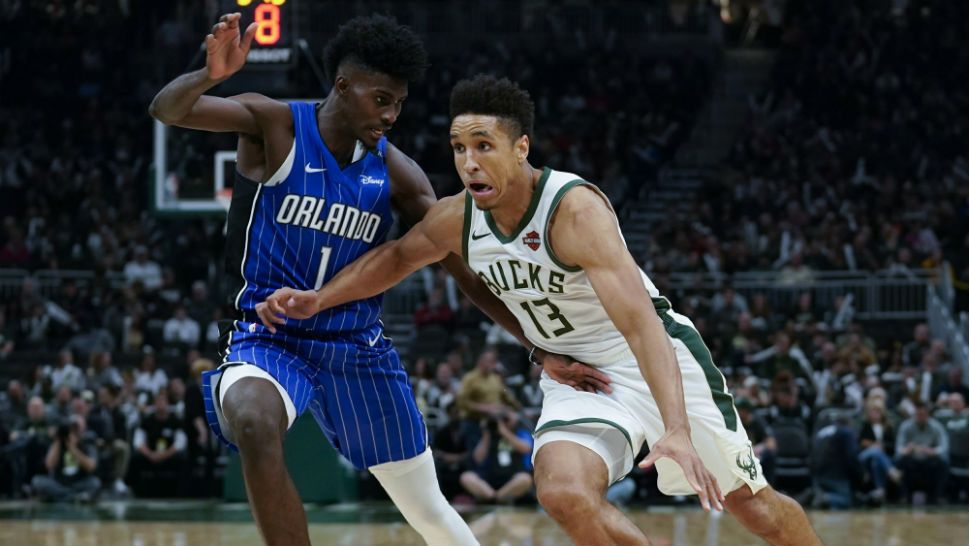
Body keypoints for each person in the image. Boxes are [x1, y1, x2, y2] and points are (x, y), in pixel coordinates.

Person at [259, 75, 825, 546]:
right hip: (578, 374)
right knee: (562, 493)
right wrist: (320, 298)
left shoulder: (574, 211)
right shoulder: (457, 217)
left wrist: (674, 427)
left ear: (521, 148)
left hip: (654, 360)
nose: (469, 162)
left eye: (484, 145)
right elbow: (397, 258)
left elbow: (642, 325)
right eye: (459, 148)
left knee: (753, 508)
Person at [150, 14, 607, 546]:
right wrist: (210, 74)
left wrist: (535, 347)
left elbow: (462, 272)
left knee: (426, 504)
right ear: (343, 86)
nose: (391, 114)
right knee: (254, 421)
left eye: (399, 103)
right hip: (267, 335)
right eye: (381, 99)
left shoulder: (398, 174)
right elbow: (168, 109)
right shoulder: (273, 124)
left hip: (354, 344)